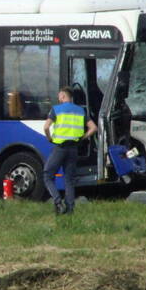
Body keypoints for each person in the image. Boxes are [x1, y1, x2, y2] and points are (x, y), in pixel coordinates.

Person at [42, 86, 98, 215]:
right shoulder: (80, 110)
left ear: (63, 96)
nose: (59, 99)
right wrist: (82, 137)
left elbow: (46, 127)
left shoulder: (56, 109)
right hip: (74, 148)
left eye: (59, 97)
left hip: (60, 148)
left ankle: (57, 202)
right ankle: (70, 210)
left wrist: (50, 138)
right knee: (69, 179)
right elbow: (93, 128)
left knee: (47, 175)